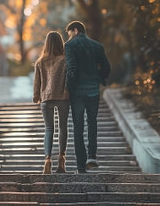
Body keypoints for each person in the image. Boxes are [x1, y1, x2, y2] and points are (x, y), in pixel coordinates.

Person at [64, 20, 111, 173]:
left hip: (77, 93)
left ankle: (80, 166)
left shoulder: (69, 46)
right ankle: (92, 156)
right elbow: (106, 68)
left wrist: (68, 88)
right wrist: (99, 78)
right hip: (93, 91)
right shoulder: (97, 46)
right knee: (92, 122)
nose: (69, 37)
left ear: (75, 30)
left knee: (78, 127)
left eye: (69, 33)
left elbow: (72, 69)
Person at [33, 31, 70, 174]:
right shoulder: (65, 60)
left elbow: (37, 82)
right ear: (61, 43)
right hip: (63, 98)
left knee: (49, 129)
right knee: (63, 128)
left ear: (46, 44)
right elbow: (68, 79)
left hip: (46, 98)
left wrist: (36, 96)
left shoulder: (40, 61)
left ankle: (47, 160)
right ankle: (61, 160)